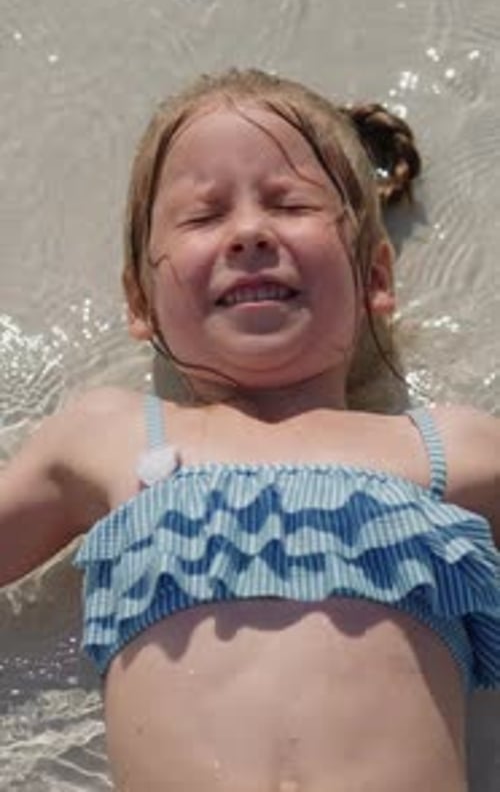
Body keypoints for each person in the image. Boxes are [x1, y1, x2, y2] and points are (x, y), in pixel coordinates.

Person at [1, 68, 499, 792]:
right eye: (203, 218)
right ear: (140, 302)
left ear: (375, 282)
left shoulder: (450, 449)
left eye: (290, 204)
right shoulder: (108, 436)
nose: (250, 233)